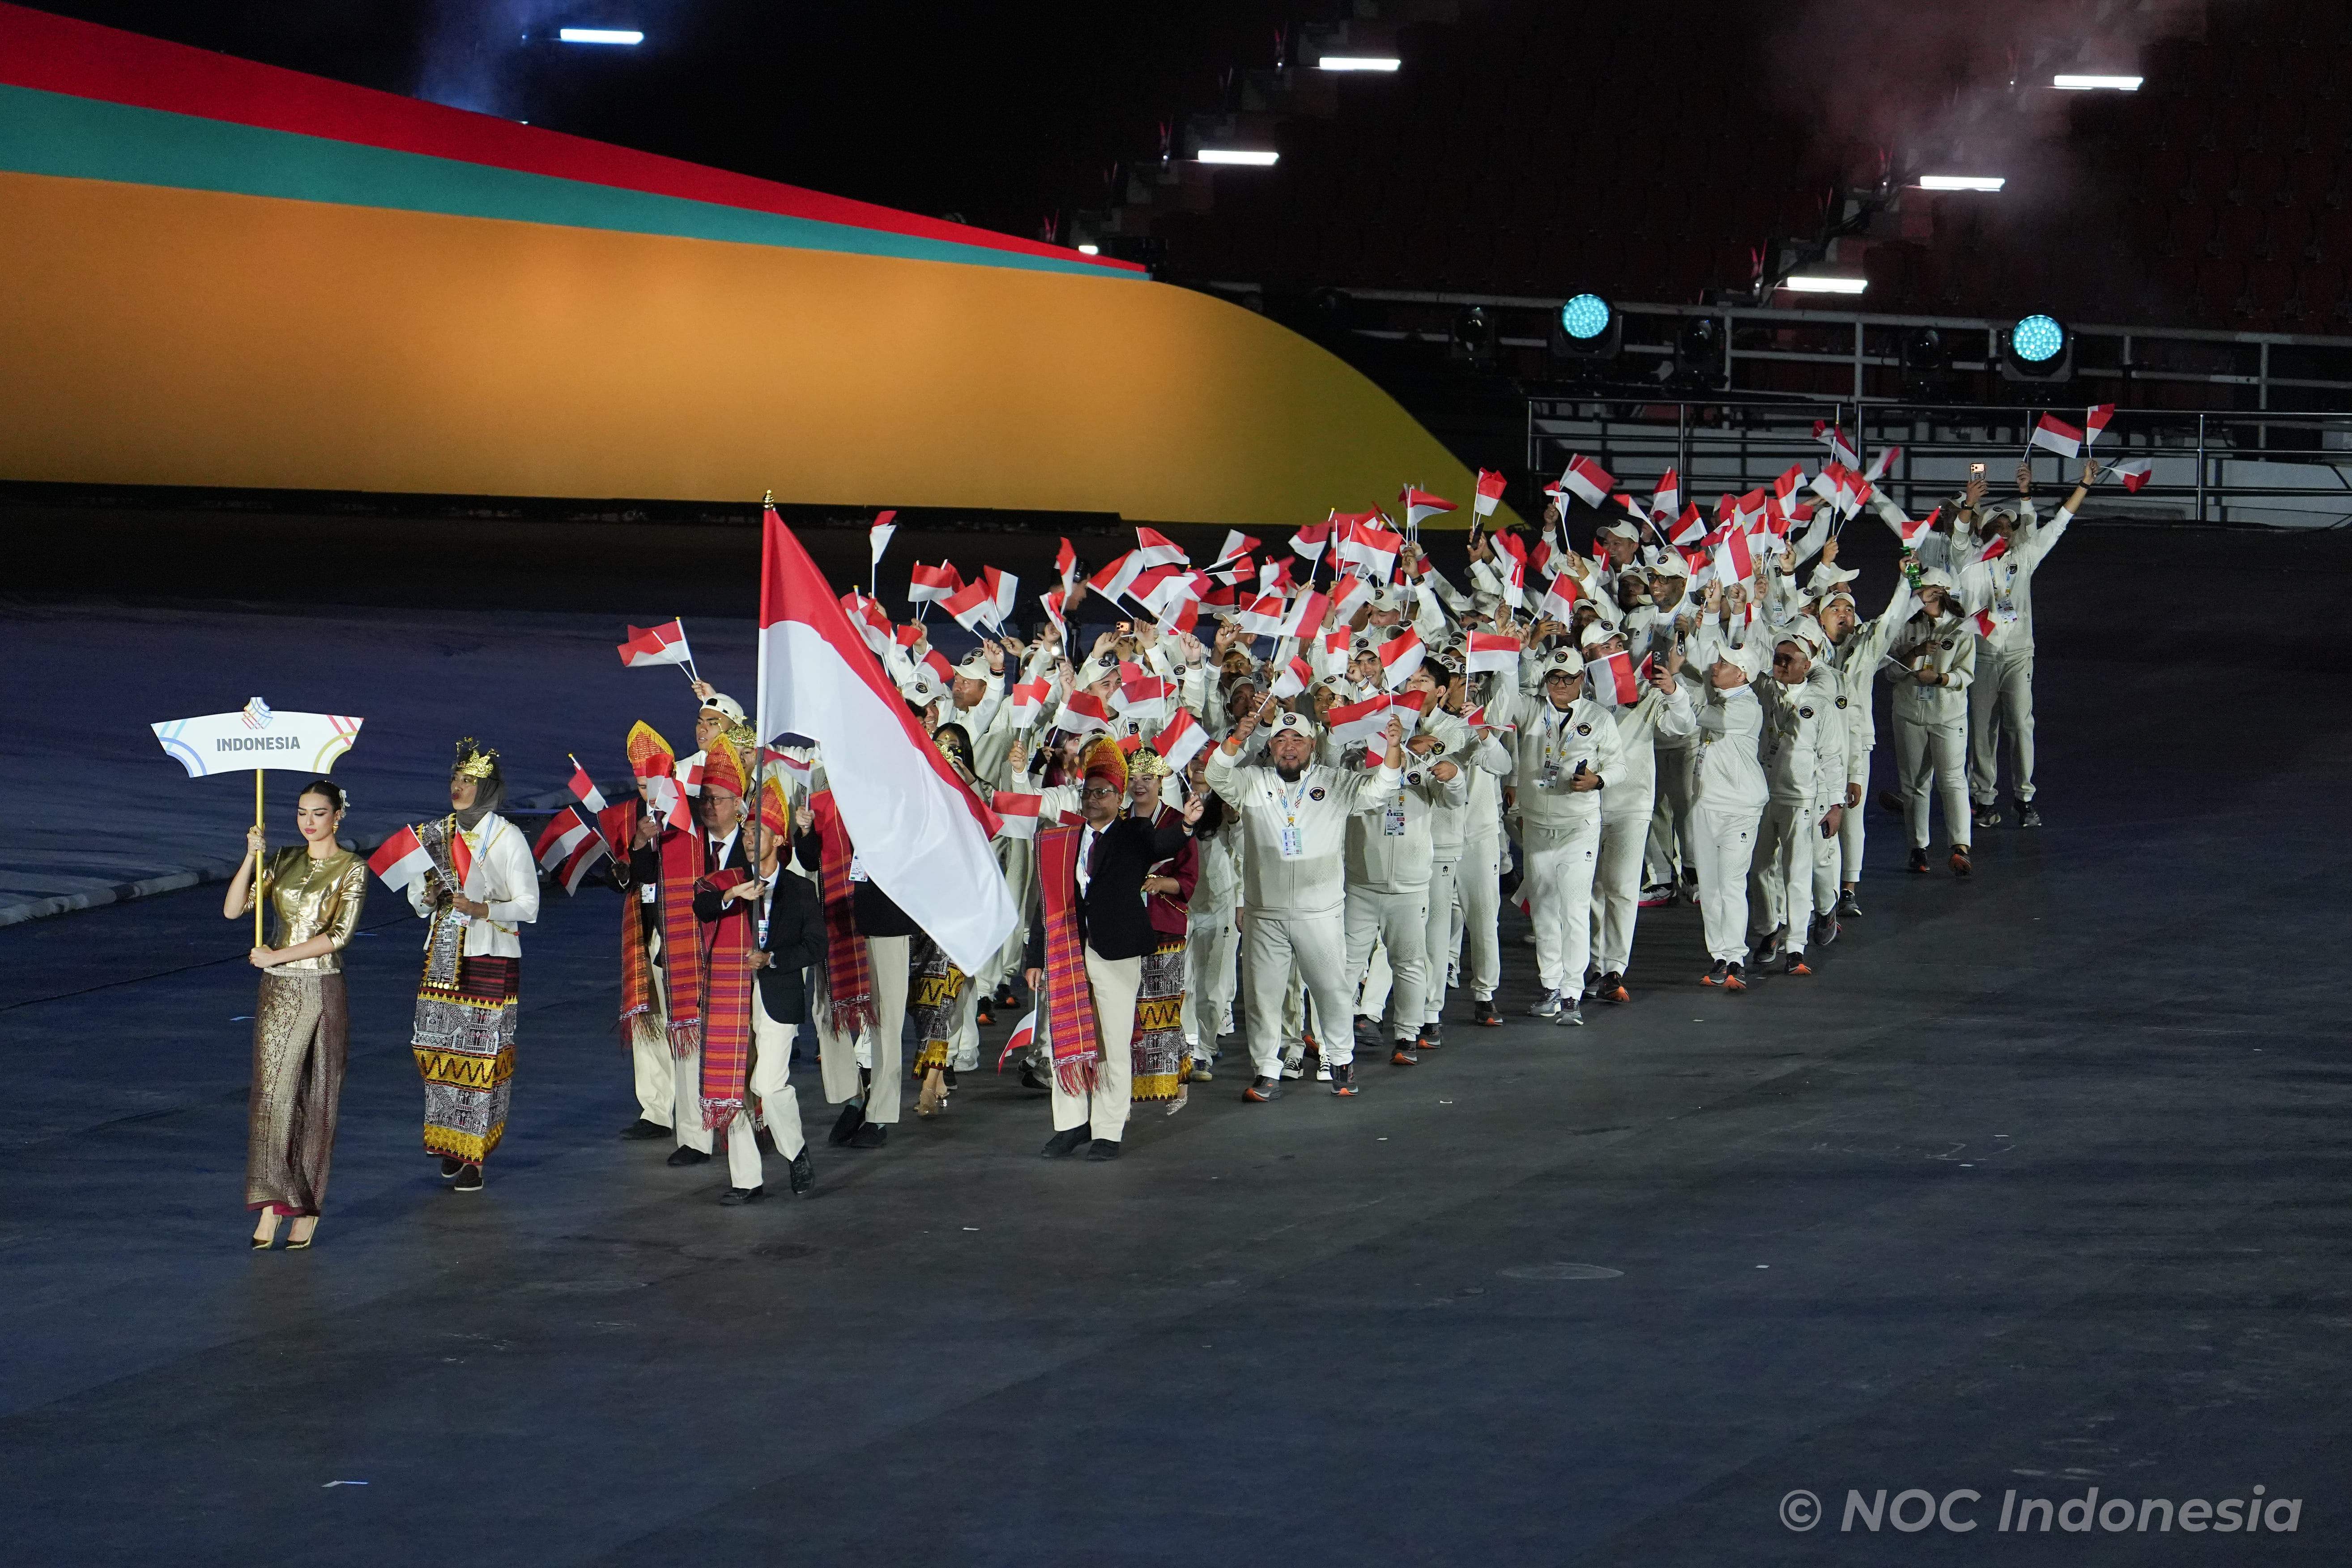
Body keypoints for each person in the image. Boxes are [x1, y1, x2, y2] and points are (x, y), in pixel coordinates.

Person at [1206, 702, 1405, 1101]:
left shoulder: (1335, 782)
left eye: (1297, 739)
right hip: (1265, 912)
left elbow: (1381, 790)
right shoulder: (1253, 781)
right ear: (1271, 746)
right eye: (1280, 739)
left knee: (1332, 991)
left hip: (1320, 912)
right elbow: (1216, 775)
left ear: (1313, 745)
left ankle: (1342, 1060)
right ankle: (1267, 1070)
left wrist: (1394, 748)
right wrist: (1236, 740)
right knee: (1263, 998)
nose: (1289, 746)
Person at [1025, 737, 1203, 1159]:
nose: (1093, 800)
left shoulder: (1134, 834)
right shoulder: (1061, 840)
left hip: (1117, 953)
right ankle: (1070, 1125)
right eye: (1088, 792)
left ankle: (1108, 1129)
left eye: (1102, 792)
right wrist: (1034, 959)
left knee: (1113, 1042)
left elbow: (1163, 846)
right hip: (1067, 950)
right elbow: (1046, 901)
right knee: (1065, 1038)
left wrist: (1187, 825)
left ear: (1119, 798)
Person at [224, 777, 367, 1249]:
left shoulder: (352, 868)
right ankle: (270, 1204)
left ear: (337, 816)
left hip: (322, 986)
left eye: (319, 813)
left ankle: (306, 1208)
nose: (309, 821)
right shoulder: (283, 859)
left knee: (319, 1097)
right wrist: (252, 858)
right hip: (278, 990)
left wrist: (277, 956)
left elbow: (340, 935)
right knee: (272, 1096)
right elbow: (234, 910)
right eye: (302, 812)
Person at [407, 738, 539, 1192]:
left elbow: (529, 905)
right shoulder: (433, 834)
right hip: (443, 956)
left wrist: (483, 908)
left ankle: (474, 1156)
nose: (458, 787)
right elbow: (417, 897)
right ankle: (449, 1140)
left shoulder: (507, 837)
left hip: (490, 955)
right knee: (438, 1051)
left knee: (482, 1059)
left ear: (486, 789)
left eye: (468, 781)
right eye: (455, 779)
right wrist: (426, 898)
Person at [693, 761, 822, 1204]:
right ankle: (746, 1180)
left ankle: (795, 1150)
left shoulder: (799, 891)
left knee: (767, 1085)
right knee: (733, 1089)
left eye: (758, 833)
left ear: (779, 840)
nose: (749, 839)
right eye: (746, 832)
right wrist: (733, 895)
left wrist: (773, 958)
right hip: (730, 997)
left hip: (778, 996)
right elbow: (702, 905)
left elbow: (816, 947)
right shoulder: (729, 881)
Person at [1485, 646, 1624, 1027]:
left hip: (1579, 826)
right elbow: (1499, 712)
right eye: (1553, 678)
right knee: (1544, 908)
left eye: (1568, 678)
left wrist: (1598, 781)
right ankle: (1550, 986)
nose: (1560, 684)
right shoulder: (1531, 709)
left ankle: (1571, 993)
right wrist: (1508, 660)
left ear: (1582, 679)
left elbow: (1619, 766)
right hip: (1537, 825)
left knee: (1574, 909)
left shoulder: (1598, 717)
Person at [1963, 456, 2098, 829]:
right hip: (1983, 657)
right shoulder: (1971, 565)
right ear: (1983, 531)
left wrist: (2084, 484)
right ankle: (1983, 798)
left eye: (2009, 527)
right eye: (1997, 526)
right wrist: (1971, 503)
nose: (2004, 531)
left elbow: (2058, 524)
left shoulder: (2024, 557)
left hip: (2020, 656)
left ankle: (2024, 799)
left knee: (2021, 727)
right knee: (1983, 730)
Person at [798, 787, 917, 1149]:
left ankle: (880, 1113)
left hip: (885, 920)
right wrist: (806, 831)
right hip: (836, 921)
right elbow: (809, 861)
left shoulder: (898, 796)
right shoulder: (824, 801)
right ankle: (853, 1095)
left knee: (886, 1019)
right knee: (826, 1011)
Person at [1885, 569, 1978, 876]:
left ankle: (1961, 848)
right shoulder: (1903, 624)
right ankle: (1918, 849)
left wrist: (1939, 678)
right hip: (1909, 714)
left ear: (1940, 592)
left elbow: (1966, 675)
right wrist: (1914, 654)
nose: (1917, 594)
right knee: (1914, 784)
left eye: (1923, 589)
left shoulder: (1961, 628)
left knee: (1952, 780)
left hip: (1948, 716)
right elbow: (1890, 671)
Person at [1125, 749, 1201, 1112]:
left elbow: (1189, 879)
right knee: (1129, 1010)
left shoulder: (1177, 821)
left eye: (1147, 778)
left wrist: (1158, 883)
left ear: (1160, 781)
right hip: (1123, 927)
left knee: (1163, 1008)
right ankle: (1127, 1088)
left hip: (1163, 926)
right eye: (1133, 778)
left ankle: (1178, 1083)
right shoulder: (1118, 820)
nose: (1139, 785)